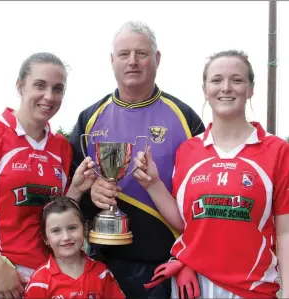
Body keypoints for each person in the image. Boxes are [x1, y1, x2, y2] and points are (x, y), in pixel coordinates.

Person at [133, 50, 289, 298]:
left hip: (252, 289)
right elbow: (186, 224)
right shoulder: (188, 150)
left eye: (237, 80)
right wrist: (153, 184)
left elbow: (284, 232)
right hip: (192, 285)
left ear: (250, 89)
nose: (226, 88)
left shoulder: (277, 151)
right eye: (216, 80)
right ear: (205, 89)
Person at [69, 21, 205, 299]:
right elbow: (70, 194)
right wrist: (90, 191)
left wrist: (193, 256)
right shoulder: (88, 119)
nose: (132, 61)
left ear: (156, 59)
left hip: (168, 264)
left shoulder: (186, 118)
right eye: (124, 54)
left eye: (141, 53)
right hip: (104, 261)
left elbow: (202, 196)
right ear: (111, 61)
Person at [0, 52, 97, 299]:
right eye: (40, 85)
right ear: (20, 85)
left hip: (48, 275)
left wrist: (77, 190)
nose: (49, 96)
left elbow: (55, 212)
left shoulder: (61, 146)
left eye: (58, 89)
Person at [24, 197, 125, 298]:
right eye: (56, 231)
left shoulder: (101, 273)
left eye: (72, 228)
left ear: (85, 229)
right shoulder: (39, 283)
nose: (66, 237)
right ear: (45, 238)